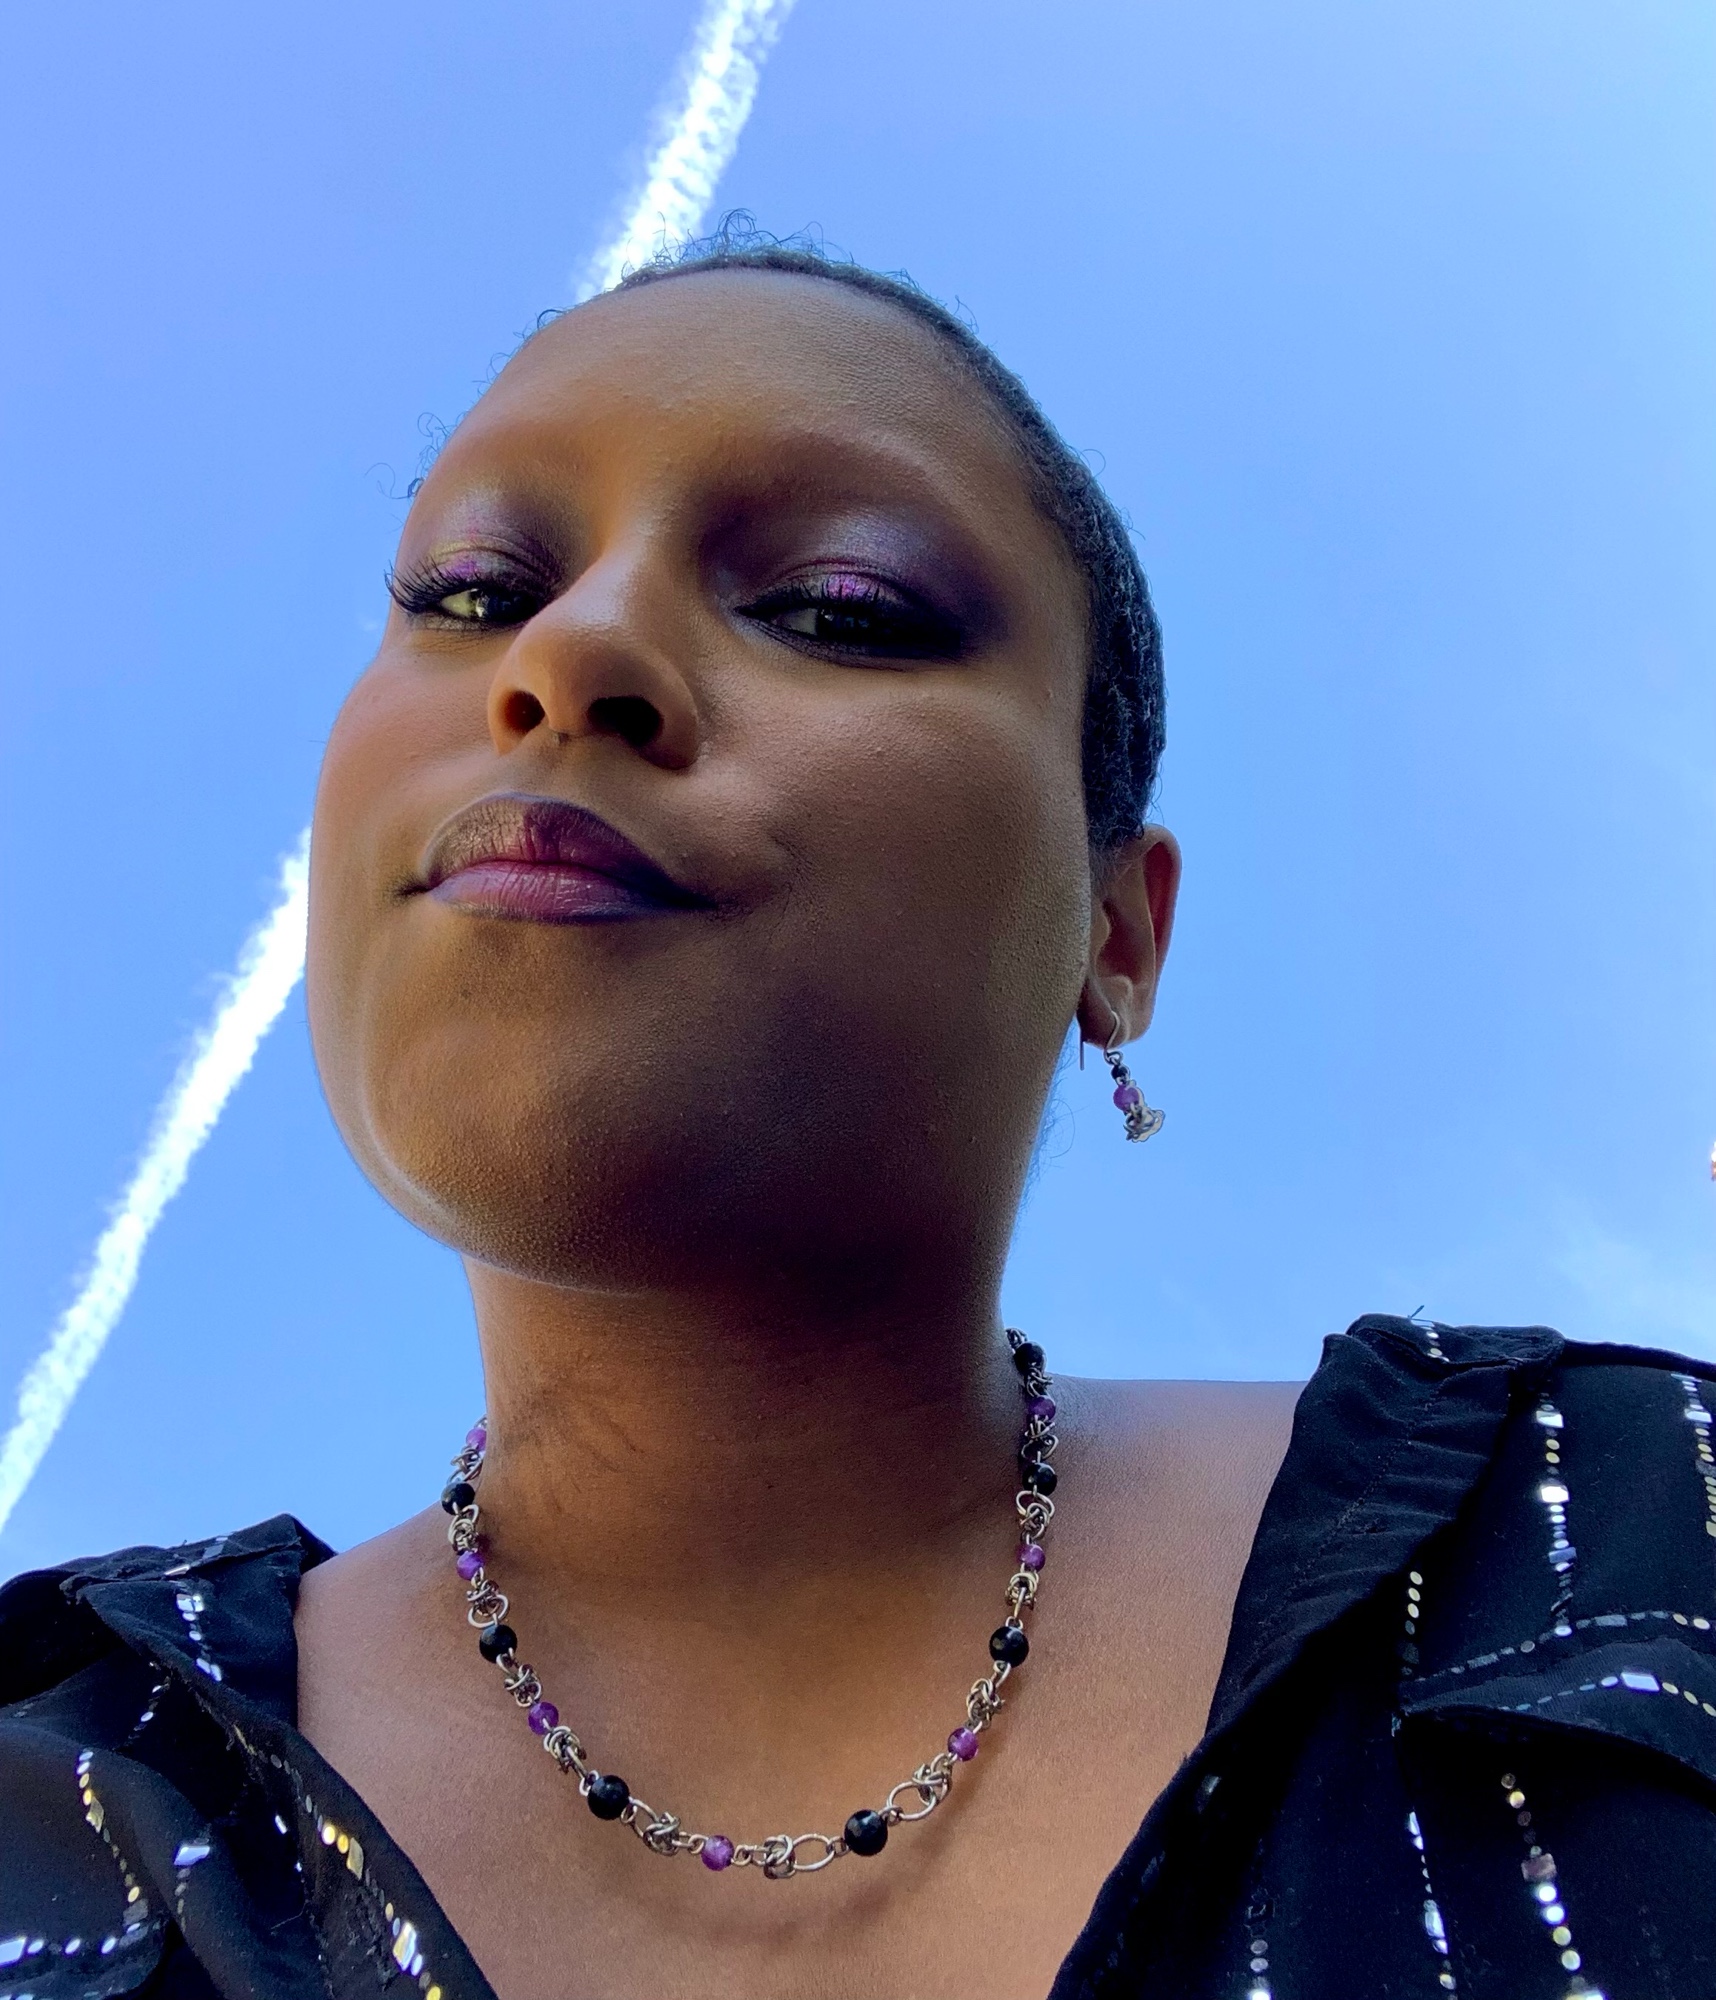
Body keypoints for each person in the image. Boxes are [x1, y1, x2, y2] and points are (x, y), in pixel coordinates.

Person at [3, 231, 1714, 2000]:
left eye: (839, 605)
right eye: (472, 589)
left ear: (1117, 935)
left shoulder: (1627, 1541)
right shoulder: (56, 1792)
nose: (572, 650)